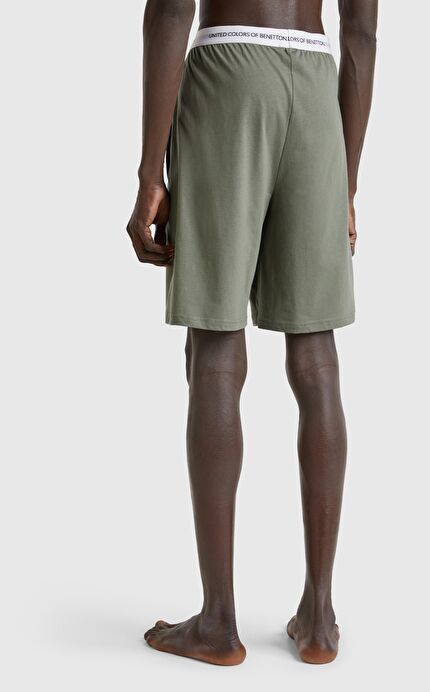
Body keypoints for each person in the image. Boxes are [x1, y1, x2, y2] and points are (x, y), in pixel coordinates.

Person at [126, 0, 377, 666]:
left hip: (228, 73)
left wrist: (150, 172)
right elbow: (361, 29)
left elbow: (171, 10)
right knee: (316, 354)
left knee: (214, 343)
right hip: (315, 89)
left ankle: (217, 623)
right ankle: (318, 618)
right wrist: (346, 183)